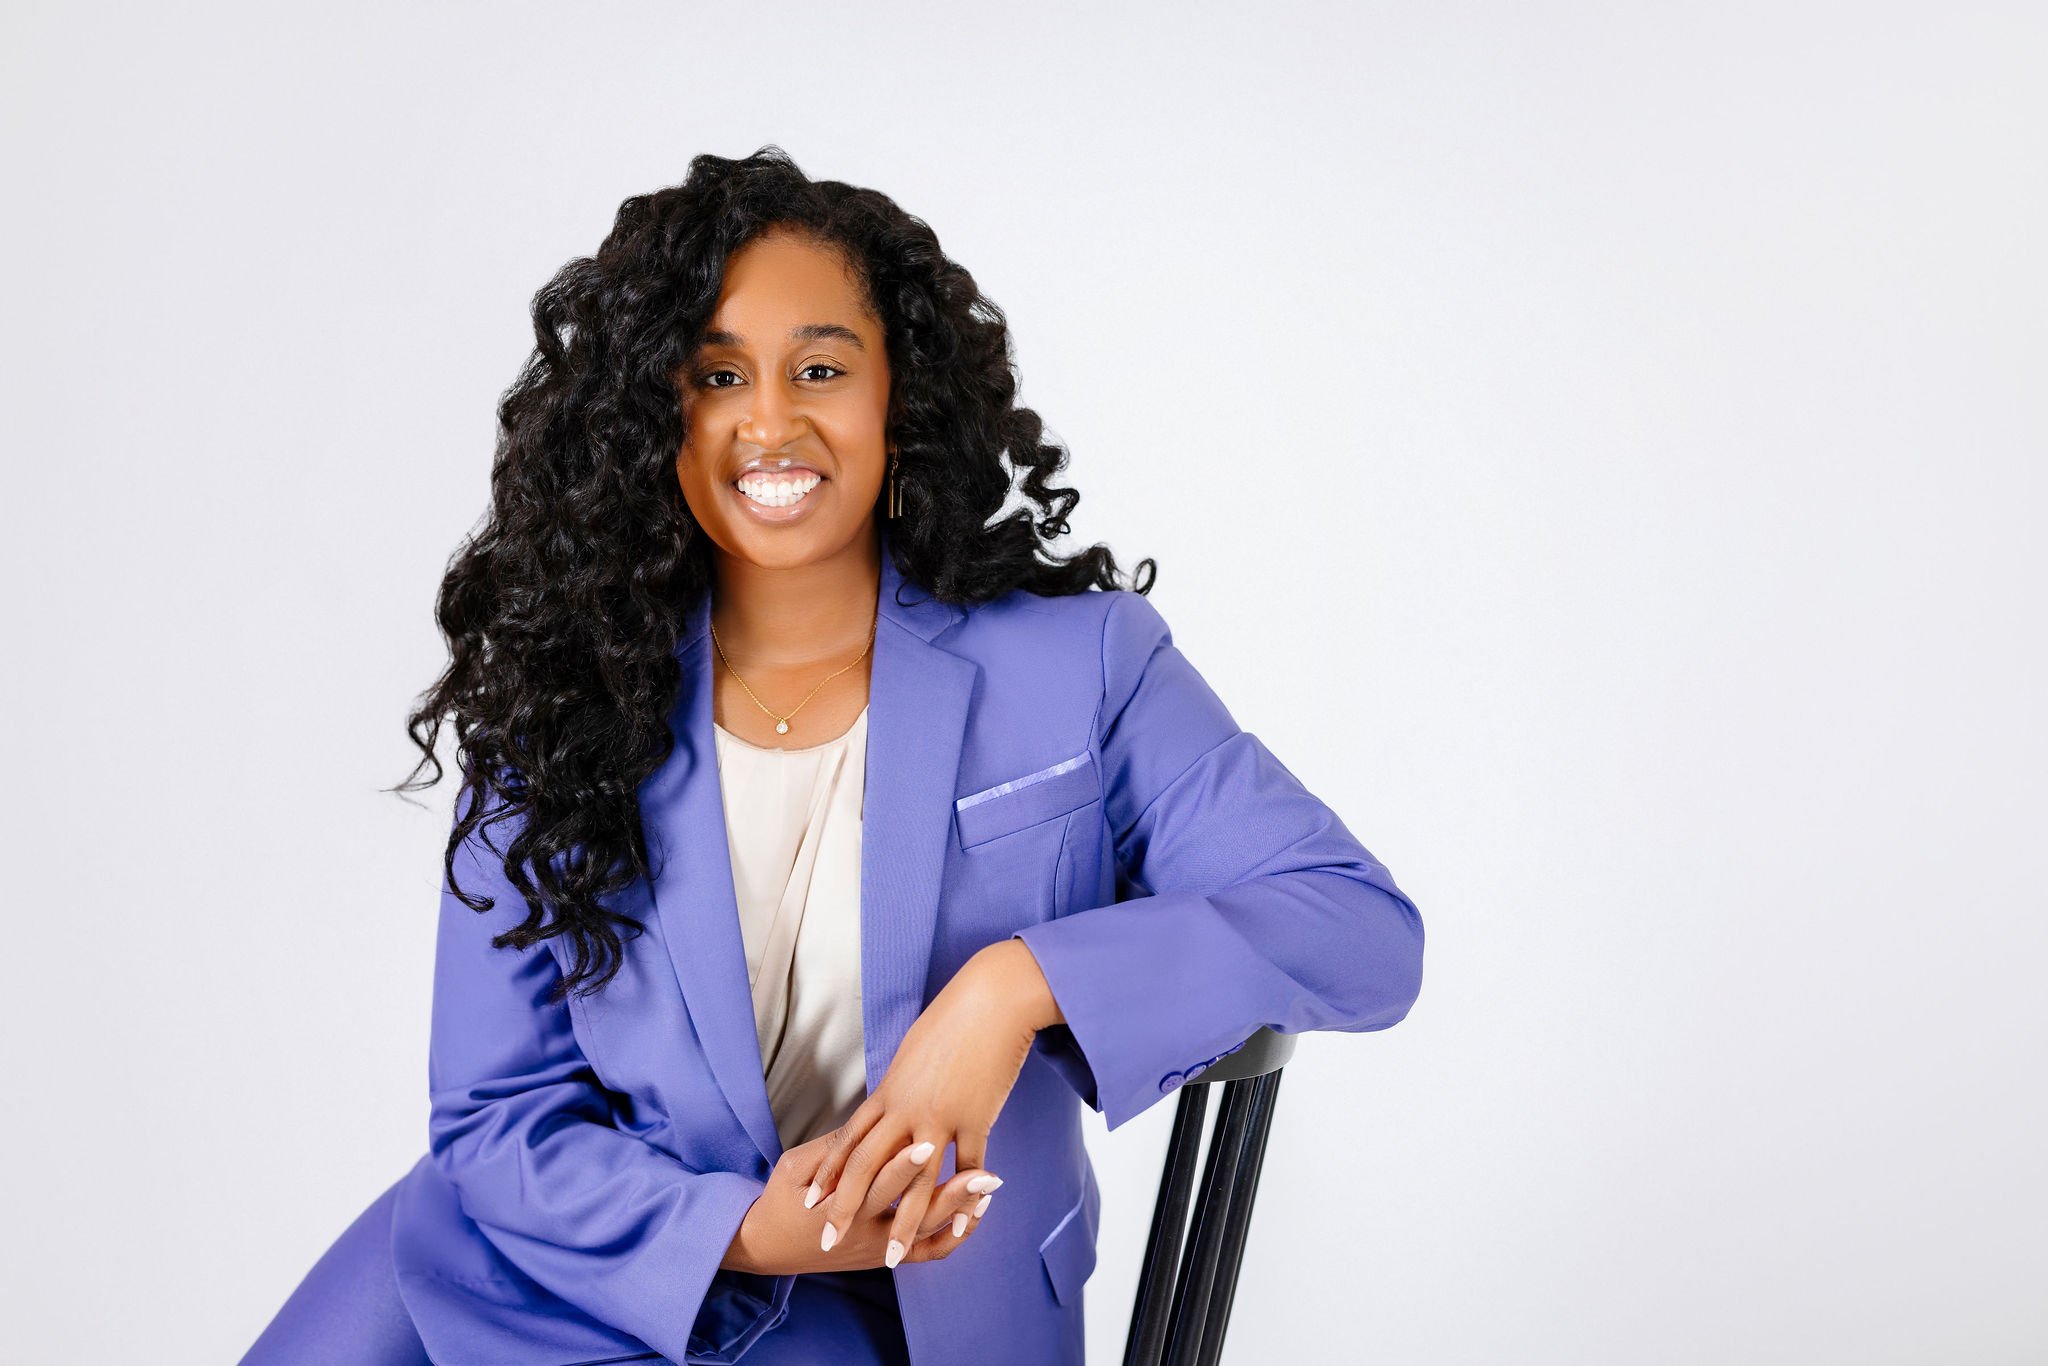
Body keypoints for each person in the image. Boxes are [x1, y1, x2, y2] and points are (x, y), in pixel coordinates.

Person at [240, 145, 1425, 1366]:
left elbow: (1358, 928)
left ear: (896, 397)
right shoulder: (558, 699)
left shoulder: (1083, 668)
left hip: (895, 1306)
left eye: (819, 367)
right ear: (654, 419)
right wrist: (748, 1230)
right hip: (568, 1262)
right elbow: (496, 1117)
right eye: (716, 375)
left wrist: (1013, 985)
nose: (769, 420)